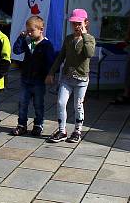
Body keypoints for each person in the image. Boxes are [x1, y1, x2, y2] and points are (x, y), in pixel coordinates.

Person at [46, 9, 96, 144]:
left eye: (79, 23)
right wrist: (51, 72)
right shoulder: (68, 39)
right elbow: (61, 57)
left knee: (78, 105)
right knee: (61, 103)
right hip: (67, 78)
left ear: (86, 23)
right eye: (74, 23)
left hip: (81, 78)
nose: (76, 26)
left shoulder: (90, 39)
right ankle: (62, 130)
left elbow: (89, 53)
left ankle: (77, 131)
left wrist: (84, 35)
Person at [12, 16, 55, 138]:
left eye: (32, 31)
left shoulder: (46, 45)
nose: (29, 33)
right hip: (26, 79)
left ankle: (38, 125)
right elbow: (16, 50)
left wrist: (50, 74)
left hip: (39, 81)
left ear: (41, 29)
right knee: (23, 103)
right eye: (28, 30)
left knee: (38, 104)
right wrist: (21, 37)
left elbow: (50, 61)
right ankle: (21, 125)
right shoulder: (27, 42)